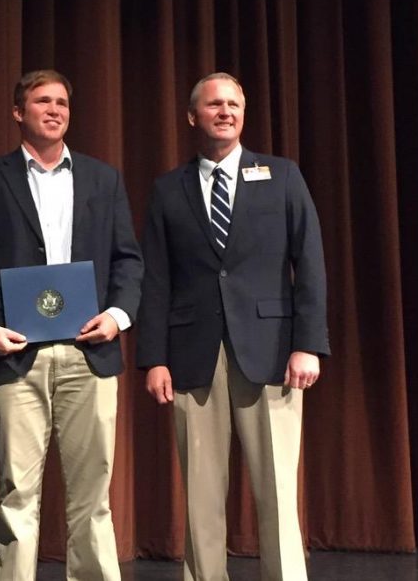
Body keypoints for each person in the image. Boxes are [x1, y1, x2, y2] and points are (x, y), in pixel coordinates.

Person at [136, 72, 330, 580]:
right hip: (192, 355)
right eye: (214, 104)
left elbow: (309, 263)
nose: (225, 111)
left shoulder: (282, 175)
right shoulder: (167, 189)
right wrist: (153, 357)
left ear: (243, 113)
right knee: (200, 493)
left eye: (234, 104)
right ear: (192, 116)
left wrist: (308, 344)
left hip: (271, 352)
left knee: (277, 489)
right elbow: (155, 279)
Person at [0, 70, 143, 580]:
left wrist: (118, 315)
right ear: (19, 112)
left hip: (91, 353)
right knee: (17, 492)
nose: (55, 109)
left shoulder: (103, 179)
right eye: (43, 101)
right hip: (15, 354)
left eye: (62, 101)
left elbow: (128, 260)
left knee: (93, 496)